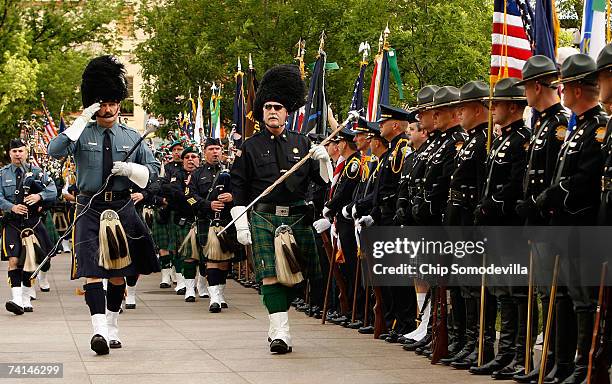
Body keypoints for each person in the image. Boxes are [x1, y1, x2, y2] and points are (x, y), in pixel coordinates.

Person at [48, 55, 160, 355]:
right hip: (89, 207)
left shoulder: (132, 135)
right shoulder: (82, 132)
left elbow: (154, 172)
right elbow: (54, 150)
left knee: (118, 272)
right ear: (94, 103)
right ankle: (97, 329)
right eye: (102, 103)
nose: (107, 109)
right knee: (92, 270)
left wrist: (131, 171)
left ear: (119, 103)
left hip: (122, 207)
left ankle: (112, 326)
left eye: (112, 102)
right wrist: (81, 119)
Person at [230, 64, 330, 354]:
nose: (272, 111)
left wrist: (323, 160)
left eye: (278, 107)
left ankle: (276, 323)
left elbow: (324, 182)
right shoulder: (249, 147)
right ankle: (281, 334)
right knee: (270, 275)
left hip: (297, 216)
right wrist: (241, 223)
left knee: (297, 277)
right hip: (264, 215)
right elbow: (238, 188)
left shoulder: (304, 143)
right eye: (268, 107)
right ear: (262, 111)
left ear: (288, 113)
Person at [537, 53, 607, 384]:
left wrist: (557, 192)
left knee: (584, 299)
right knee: (566, 294)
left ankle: (584, 365)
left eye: (565, 87)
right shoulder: (579, 129)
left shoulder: (598, 128)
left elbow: (587, 180)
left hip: (583, 223)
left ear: (577, 90)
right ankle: (564, 362)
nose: (561, 92)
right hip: (566, 224)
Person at [513, 55, 570, 384]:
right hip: (535, 218)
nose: (526, 94)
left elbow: (553, 176)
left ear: (537, 86)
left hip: (549, 218)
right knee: (544, 294)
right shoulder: (541, 123)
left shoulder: (560, 122)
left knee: (554, 294)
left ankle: (555, 360)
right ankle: (546, 358)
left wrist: (538, 205)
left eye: (526, 87)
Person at [470, 77, 532, 378]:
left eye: (497, 104)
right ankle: (506, 353)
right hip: (495, 226)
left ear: (512, 105)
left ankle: (520, 355)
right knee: (501, 290)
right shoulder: (503, 139)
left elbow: (515, 184)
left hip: (510, 226)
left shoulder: (522, 139)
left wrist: (491, 204)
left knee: (516, 292)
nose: (492, 109)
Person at [0, 139, 57, 314]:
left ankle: (25, 297)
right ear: (10, 153)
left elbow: (53, 190)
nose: (18, 154)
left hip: (32, 223)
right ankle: (16, 299)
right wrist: (11, 207)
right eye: (14, 151)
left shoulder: (38, 173)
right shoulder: (2, 174)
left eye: (21, 151)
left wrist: (39, 196)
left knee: (30, 261)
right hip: (12, 223)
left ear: (26, 152)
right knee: (14, 260)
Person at [185, 137, 236, 311]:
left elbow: (243, 191)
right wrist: (208, 204)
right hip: (206, 220)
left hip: (226, 220)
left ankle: (220, 294)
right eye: (211, 149)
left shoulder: (231, 171)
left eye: (217, 149)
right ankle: (213, 298)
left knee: (224, 261)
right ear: (204, 151)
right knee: (212, 260)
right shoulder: (197, 174)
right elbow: (189, 197)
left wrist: (232, 197)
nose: (215, 152)